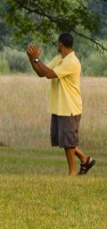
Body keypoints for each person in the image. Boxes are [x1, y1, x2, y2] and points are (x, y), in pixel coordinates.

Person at [26, 33, 95, 176]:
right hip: (59, 106)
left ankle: (72, 172)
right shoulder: (60, 59)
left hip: (69, 107)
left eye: (58, 44)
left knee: (68, 141)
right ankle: (85, 159)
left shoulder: (72, 62)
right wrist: (31, 58)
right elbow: (42, 73)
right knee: (63, 139)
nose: (57, 46)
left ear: (61, 44)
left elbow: (50, 74)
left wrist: (36, 58)